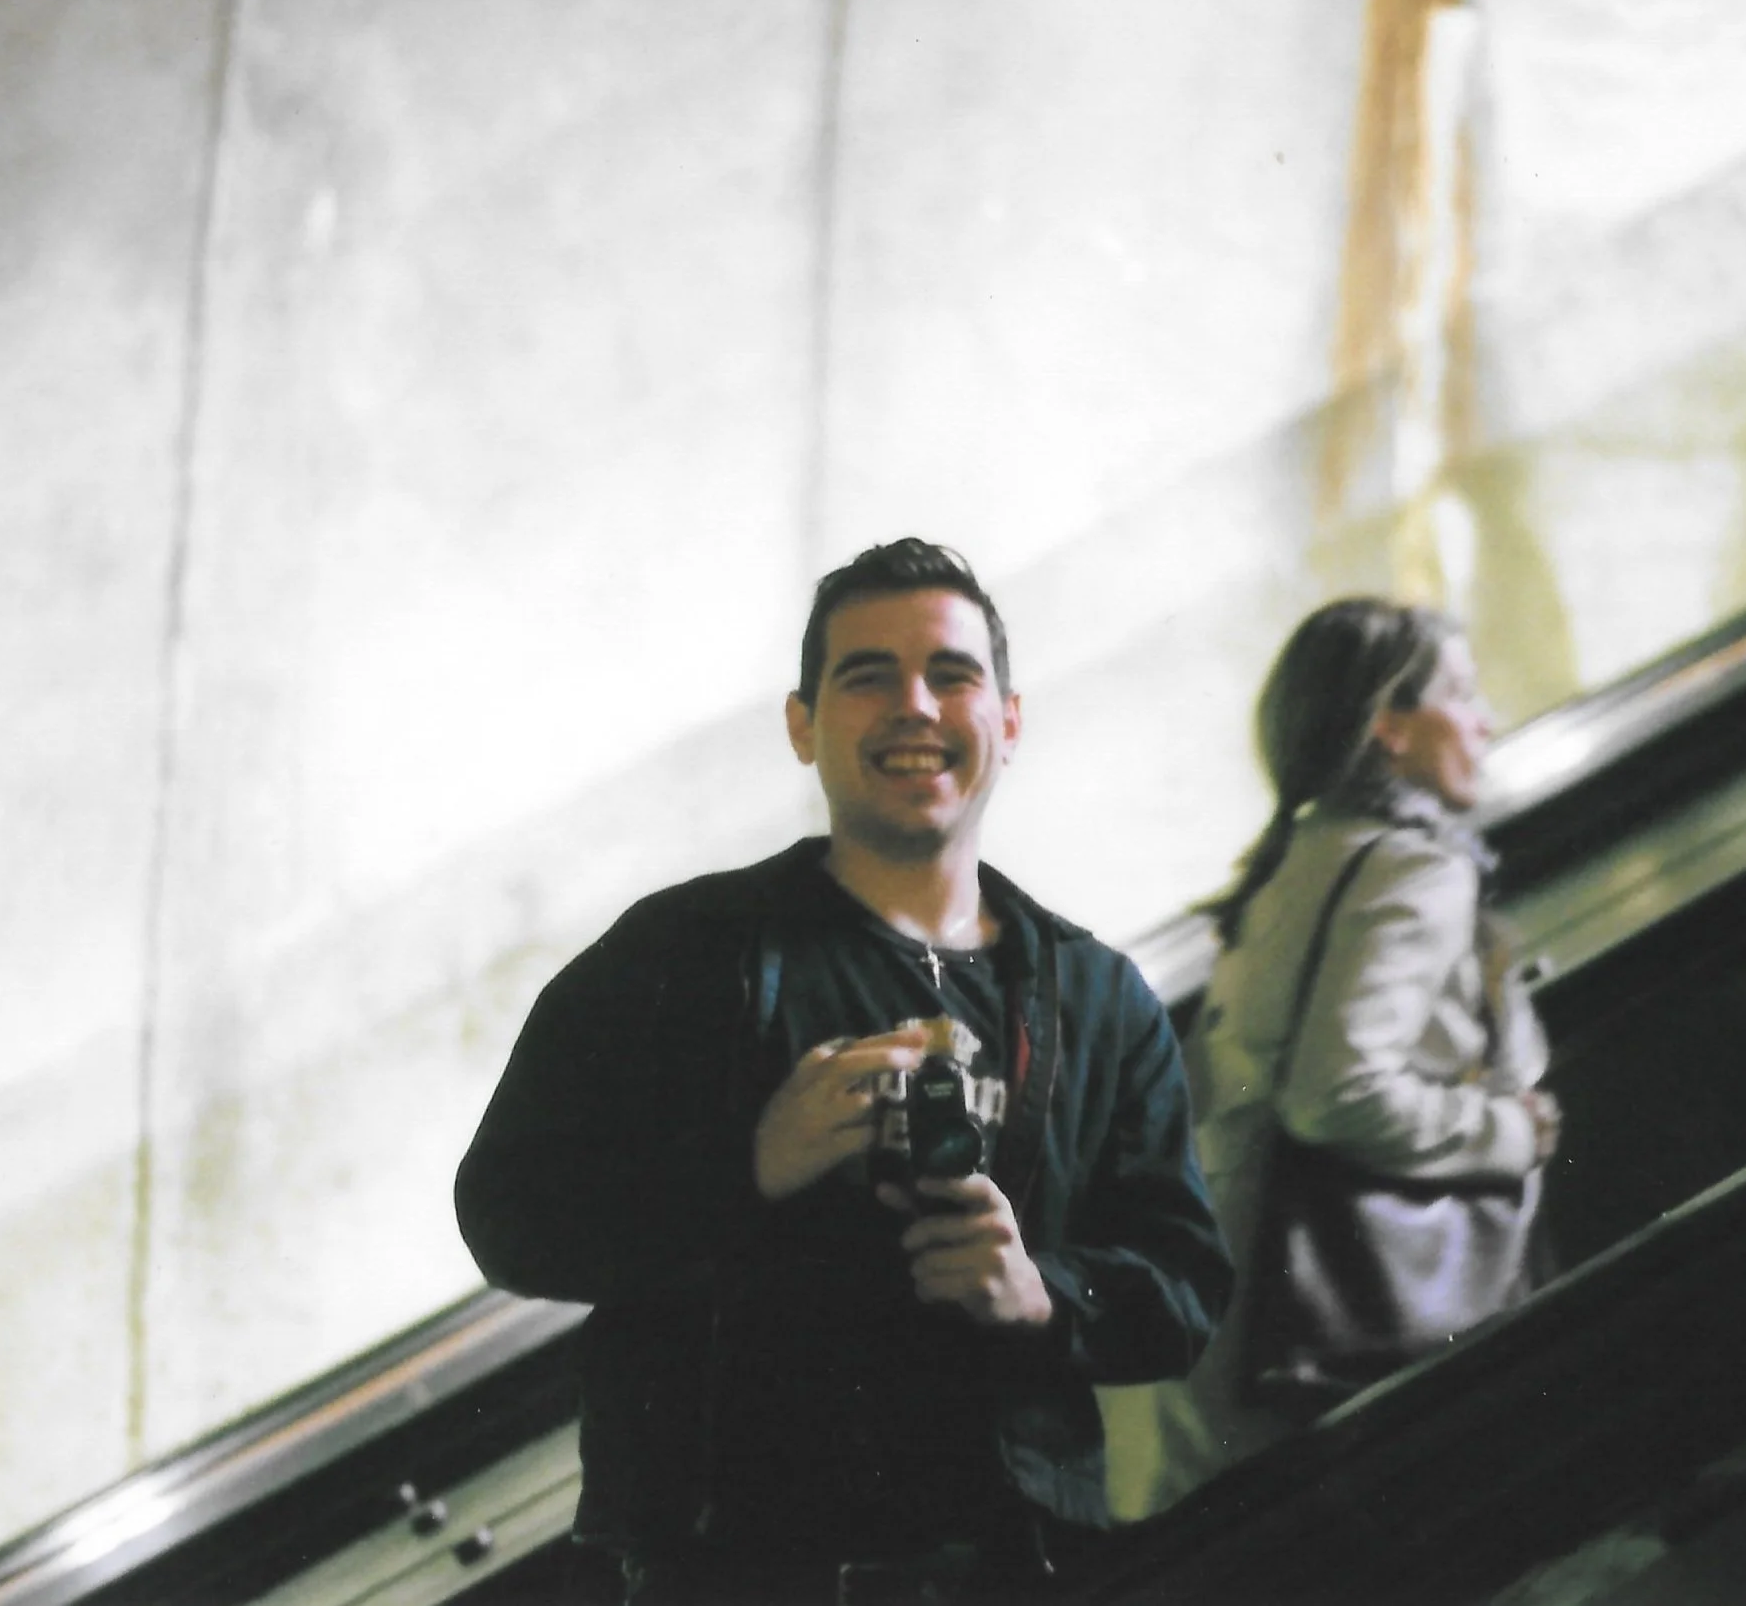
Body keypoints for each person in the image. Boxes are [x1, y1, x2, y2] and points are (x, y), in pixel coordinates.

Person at [454, 539, 1231, 1602]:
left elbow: (1185, 1283)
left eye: (950, 674)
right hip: (735, 1575)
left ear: (1007, 721)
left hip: (1010, 1569)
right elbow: (506, 1213)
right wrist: (748, 1168)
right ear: (801, 724)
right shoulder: (683, 954)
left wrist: (1039, 1290)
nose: (913, 705)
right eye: (868, 676)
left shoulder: (1097, 998)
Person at [1108, 598, 1557, 1522]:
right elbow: (1335, 1092)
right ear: (1388, 724)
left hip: (1224, 1294)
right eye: (1461, 694)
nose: (1485, 719)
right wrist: (1506, 1130)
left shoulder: (1300, 859)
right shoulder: (1413, 872)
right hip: (1316, 1311)